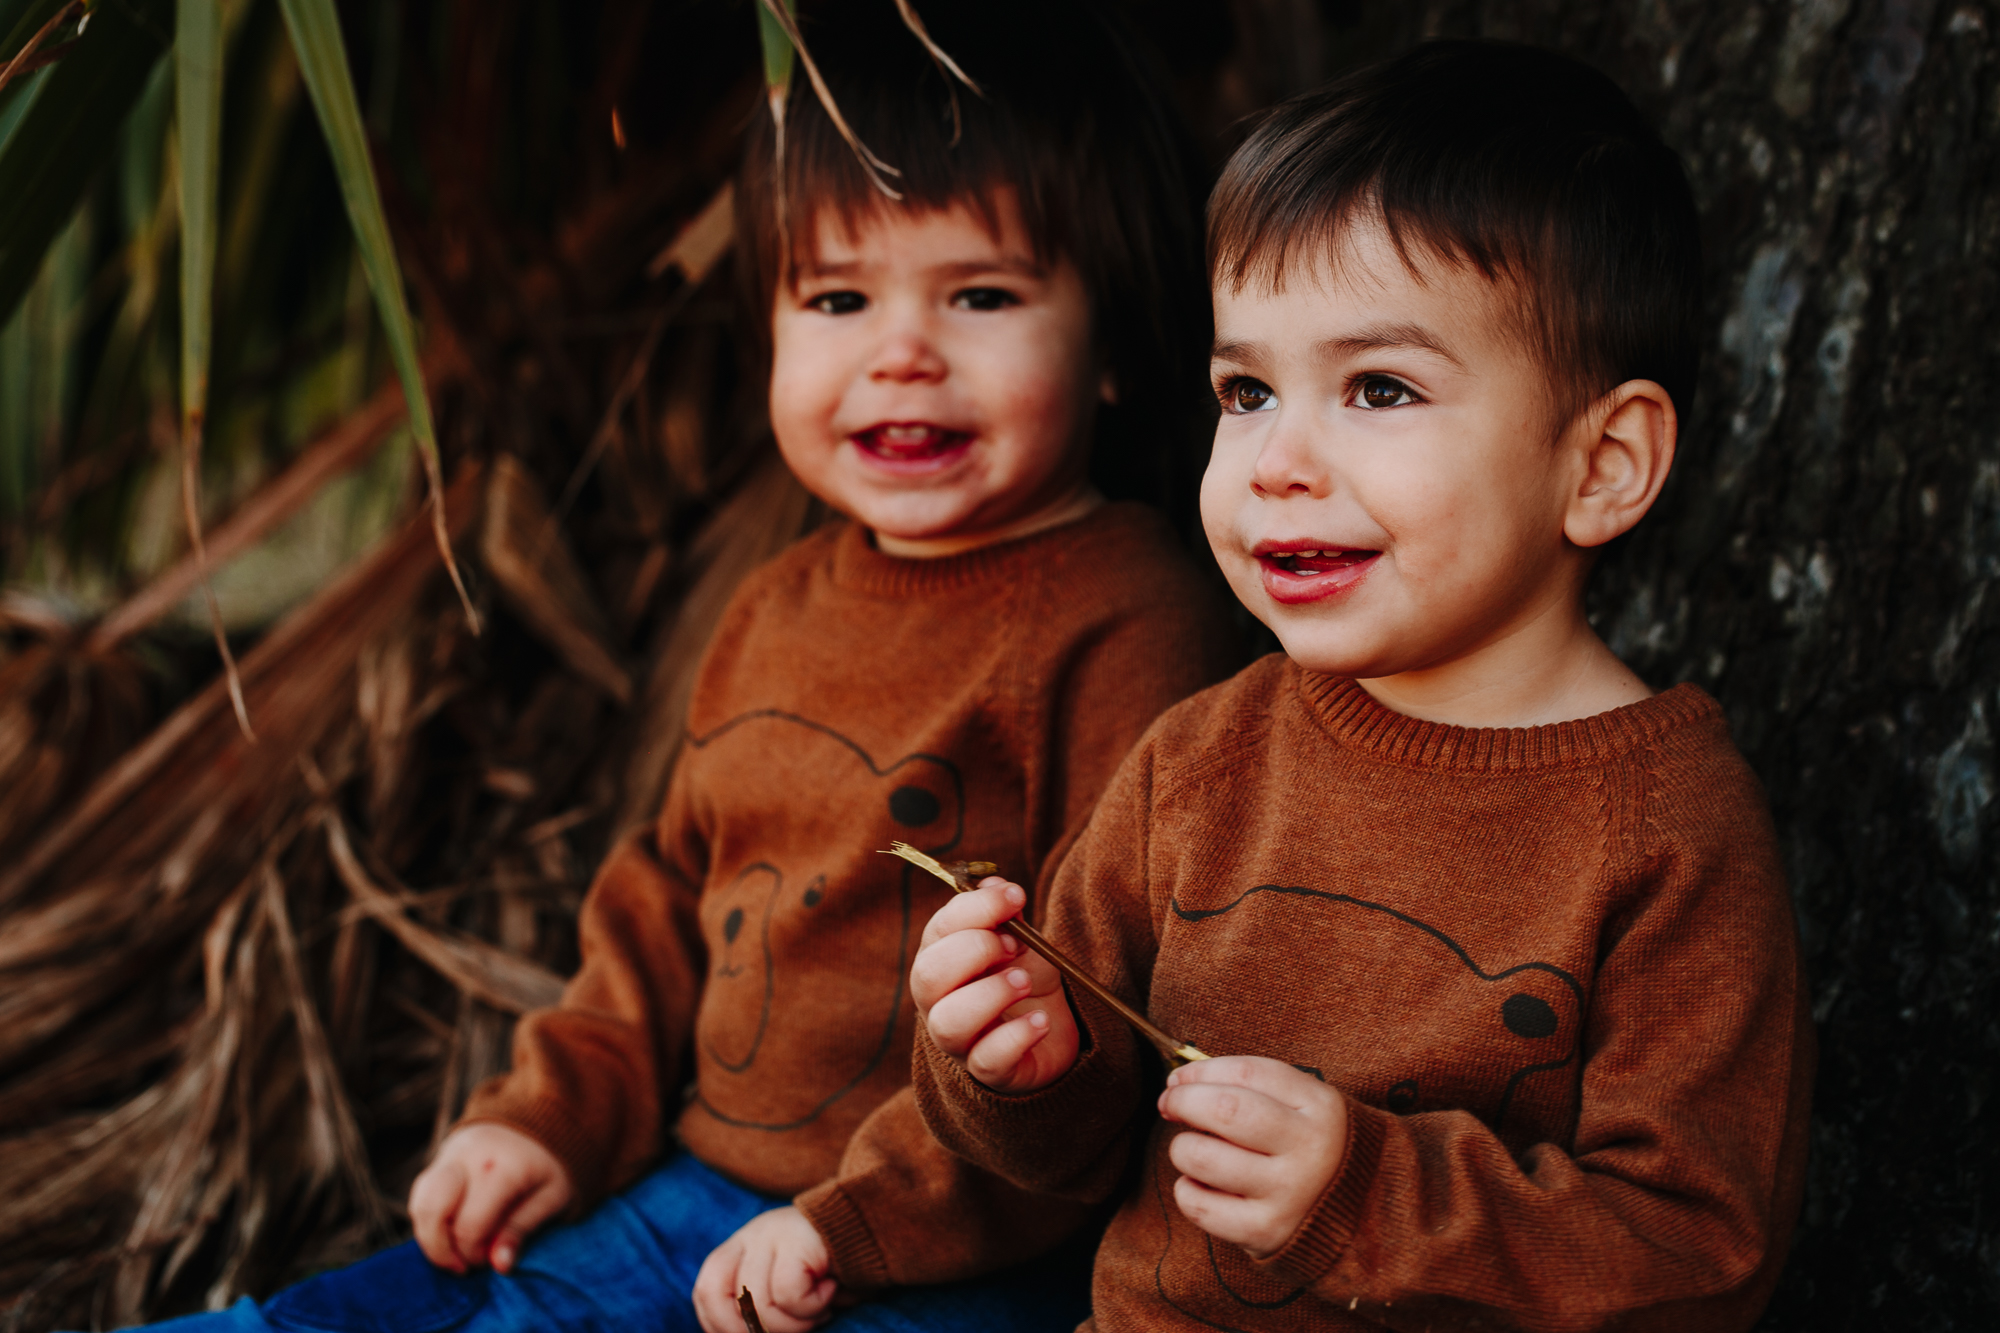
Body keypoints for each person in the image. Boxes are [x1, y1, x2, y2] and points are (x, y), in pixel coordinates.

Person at [131, 4, 1234, 1332]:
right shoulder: (777, 603)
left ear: (1113, 344)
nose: (900, 350)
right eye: (836, 297)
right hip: (698, 1185)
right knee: (400, 1302)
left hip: (951, 1243)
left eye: (982, 294)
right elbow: (666, 903)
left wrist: (855, 1219)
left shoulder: (1129, 618)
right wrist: (549, 1121)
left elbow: (1127, 993)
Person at [911, 39, 1815, 1333]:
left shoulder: (1667, 829)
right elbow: (1058, 1159)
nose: (1279, 458)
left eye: (1378, 387)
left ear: (1604, 463)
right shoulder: (1205, 754)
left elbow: (1701, 1255)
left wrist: (1362, 1189)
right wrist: (1017, 1058)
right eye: (1247, 389)